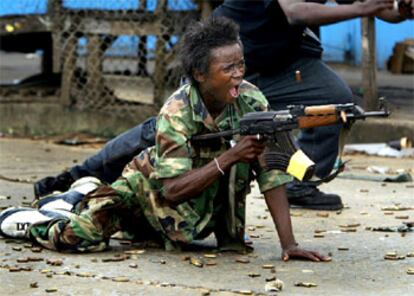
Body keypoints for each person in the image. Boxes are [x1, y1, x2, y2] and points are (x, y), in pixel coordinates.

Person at [0, 17, 329, 261]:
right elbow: (171, 189)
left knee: (253, 155)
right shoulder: (176, 111)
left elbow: (271, 174)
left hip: (182, 220)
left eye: (241, 64)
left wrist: (290, 244)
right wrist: (230, 156)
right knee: (77, 238)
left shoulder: (252, 101)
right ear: (200, 75)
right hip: (143, 197)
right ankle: (38, 220)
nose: (239, 74)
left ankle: (82, 195)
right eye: (228, 68)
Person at [33, 0, 413, 210]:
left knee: (338, 100)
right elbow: (296, 10)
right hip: (221, 63)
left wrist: (396, 7)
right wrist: (365, 8)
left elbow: (376, 7)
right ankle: (75, 176)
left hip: (284, 63)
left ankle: (299, 186)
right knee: (170, 133)